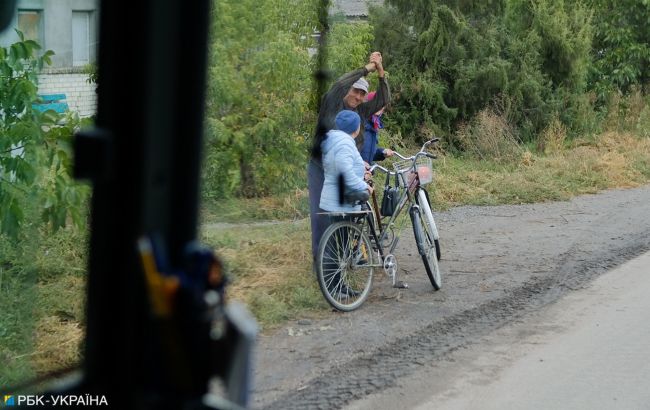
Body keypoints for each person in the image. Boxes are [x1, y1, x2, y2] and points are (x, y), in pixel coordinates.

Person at [308, 52, 391, 264]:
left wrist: (381, 72)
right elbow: (338, 84)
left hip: (343, 169)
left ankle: (343, 262)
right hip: (321, 169)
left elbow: (383, 100)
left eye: (363, 93)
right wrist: (369, 67)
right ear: (347, 90)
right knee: (322, 217)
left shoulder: (360, 111)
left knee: (346, 216)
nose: (359, 97)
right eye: (356, 91)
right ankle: (323, 268)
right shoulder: (333, 103)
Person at [360, 91, 394, 165]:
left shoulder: (374, 126)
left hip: (364, 173)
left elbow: (369, 153)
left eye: (382, 104)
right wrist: (360, 164)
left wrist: (383, 152)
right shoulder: (360, 123)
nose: (380, 107)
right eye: (376, 103)